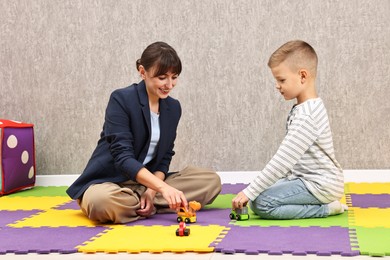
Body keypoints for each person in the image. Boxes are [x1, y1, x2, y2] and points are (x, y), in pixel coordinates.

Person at [66, 41, 221, 224]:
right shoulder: (121, 99)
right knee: (101, 202)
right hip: (110, 182)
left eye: (174, 77)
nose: (169, 85)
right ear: (142, 72)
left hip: (146, 183)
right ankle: (154, 204)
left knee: (210, 181)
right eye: (162, 77)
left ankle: (143, 201)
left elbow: (164, 158)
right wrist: (164, 189)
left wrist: (152, 190)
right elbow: (123, 158)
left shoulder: (173, 108)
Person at [232, 40, 347, 219]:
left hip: (320, 184)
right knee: (258, 193)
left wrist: (250, 191)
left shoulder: (307, 115)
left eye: (281, 80)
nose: (277, 85)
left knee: (261, 203)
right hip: (304, 179)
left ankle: (326, 209)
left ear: (302, 76)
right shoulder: (305, 107)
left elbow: (282, 160)